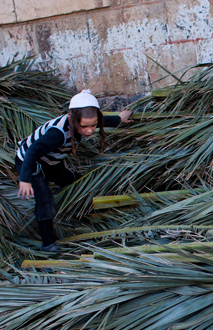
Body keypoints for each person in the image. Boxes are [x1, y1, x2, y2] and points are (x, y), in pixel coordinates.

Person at [15, 89, 134, 251]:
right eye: (85, 126)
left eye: (93, 125)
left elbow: (101, 120)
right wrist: (25, 179)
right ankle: (47, 244)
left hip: (51, 160)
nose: (90, 131)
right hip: (30, 162)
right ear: (72, 119)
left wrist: (119, 119)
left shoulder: (86, 122)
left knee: (73, 180)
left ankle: (71, 204)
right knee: (45, 201)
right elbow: (32, 152)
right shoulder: (57, 134)